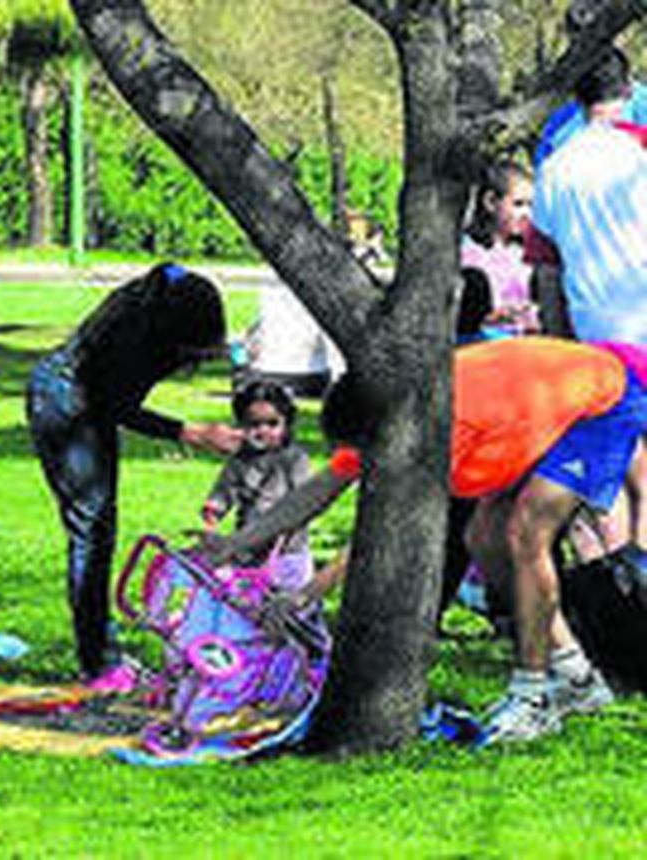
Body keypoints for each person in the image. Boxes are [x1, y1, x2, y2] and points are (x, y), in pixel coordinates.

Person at [210, 337, 647, 742]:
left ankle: (532, 690)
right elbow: (319, 490)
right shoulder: (392, 415)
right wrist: (235, 543)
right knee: (482, 539)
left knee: (526, 533)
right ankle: (576, 673)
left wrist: (309, 591)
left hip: (601, 401)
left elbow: (389, 530)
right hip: (530, 411)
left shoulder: (440, 430)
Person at [27, 262, 243, 683]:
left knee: (99, 528)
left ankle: (101, 653)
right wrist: (194, 433)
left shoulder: (158, 298)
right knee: (90, 532)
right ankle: (99, 663)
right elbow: (118, 407)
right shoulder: (137, 337)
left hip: (84, 399)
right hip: (65, 404)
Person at [527, 48, 647, 346]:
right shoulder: (641, 152)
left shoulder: (552, 169)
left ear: (576, 97)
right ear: (629, 89)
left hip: (592, 337)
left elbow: (547, 269)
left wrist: (558, 346)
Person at [201, 380, 312, 588]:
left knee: (291, 606)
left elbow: (306, 499)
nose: (263, 431)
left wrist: (288, 525)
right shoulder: (240, 460)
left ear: (287, 424)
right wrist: (213, 511)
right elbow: (225, 490)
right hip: (248, 548)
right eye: (253, 424)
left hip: (287, 553)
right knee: (248, 602)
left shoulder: (294, 459)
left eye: (272, 424)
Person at [461, 160, 538, 335]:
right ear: (491, 202)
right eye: (518, 204)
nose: (527, 214)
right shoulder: (468, 253)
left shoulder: (525, 253)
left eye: (531, 205)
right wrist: (494, 315)